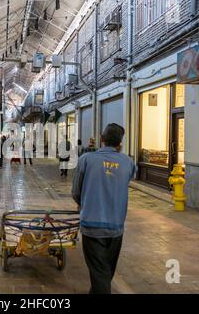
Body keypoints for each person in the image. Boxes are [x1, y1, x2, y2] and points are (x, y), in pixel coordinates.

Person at [71, 123, 136, 294]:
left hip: (92, 224)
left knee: (100, 272)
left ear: (101, 139)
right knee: (105, 270)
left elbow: (75, 191)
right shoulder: (129, 163)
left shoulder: (86, 159)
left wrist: (84, 203)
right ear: (120, 144)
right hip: (116, 225)